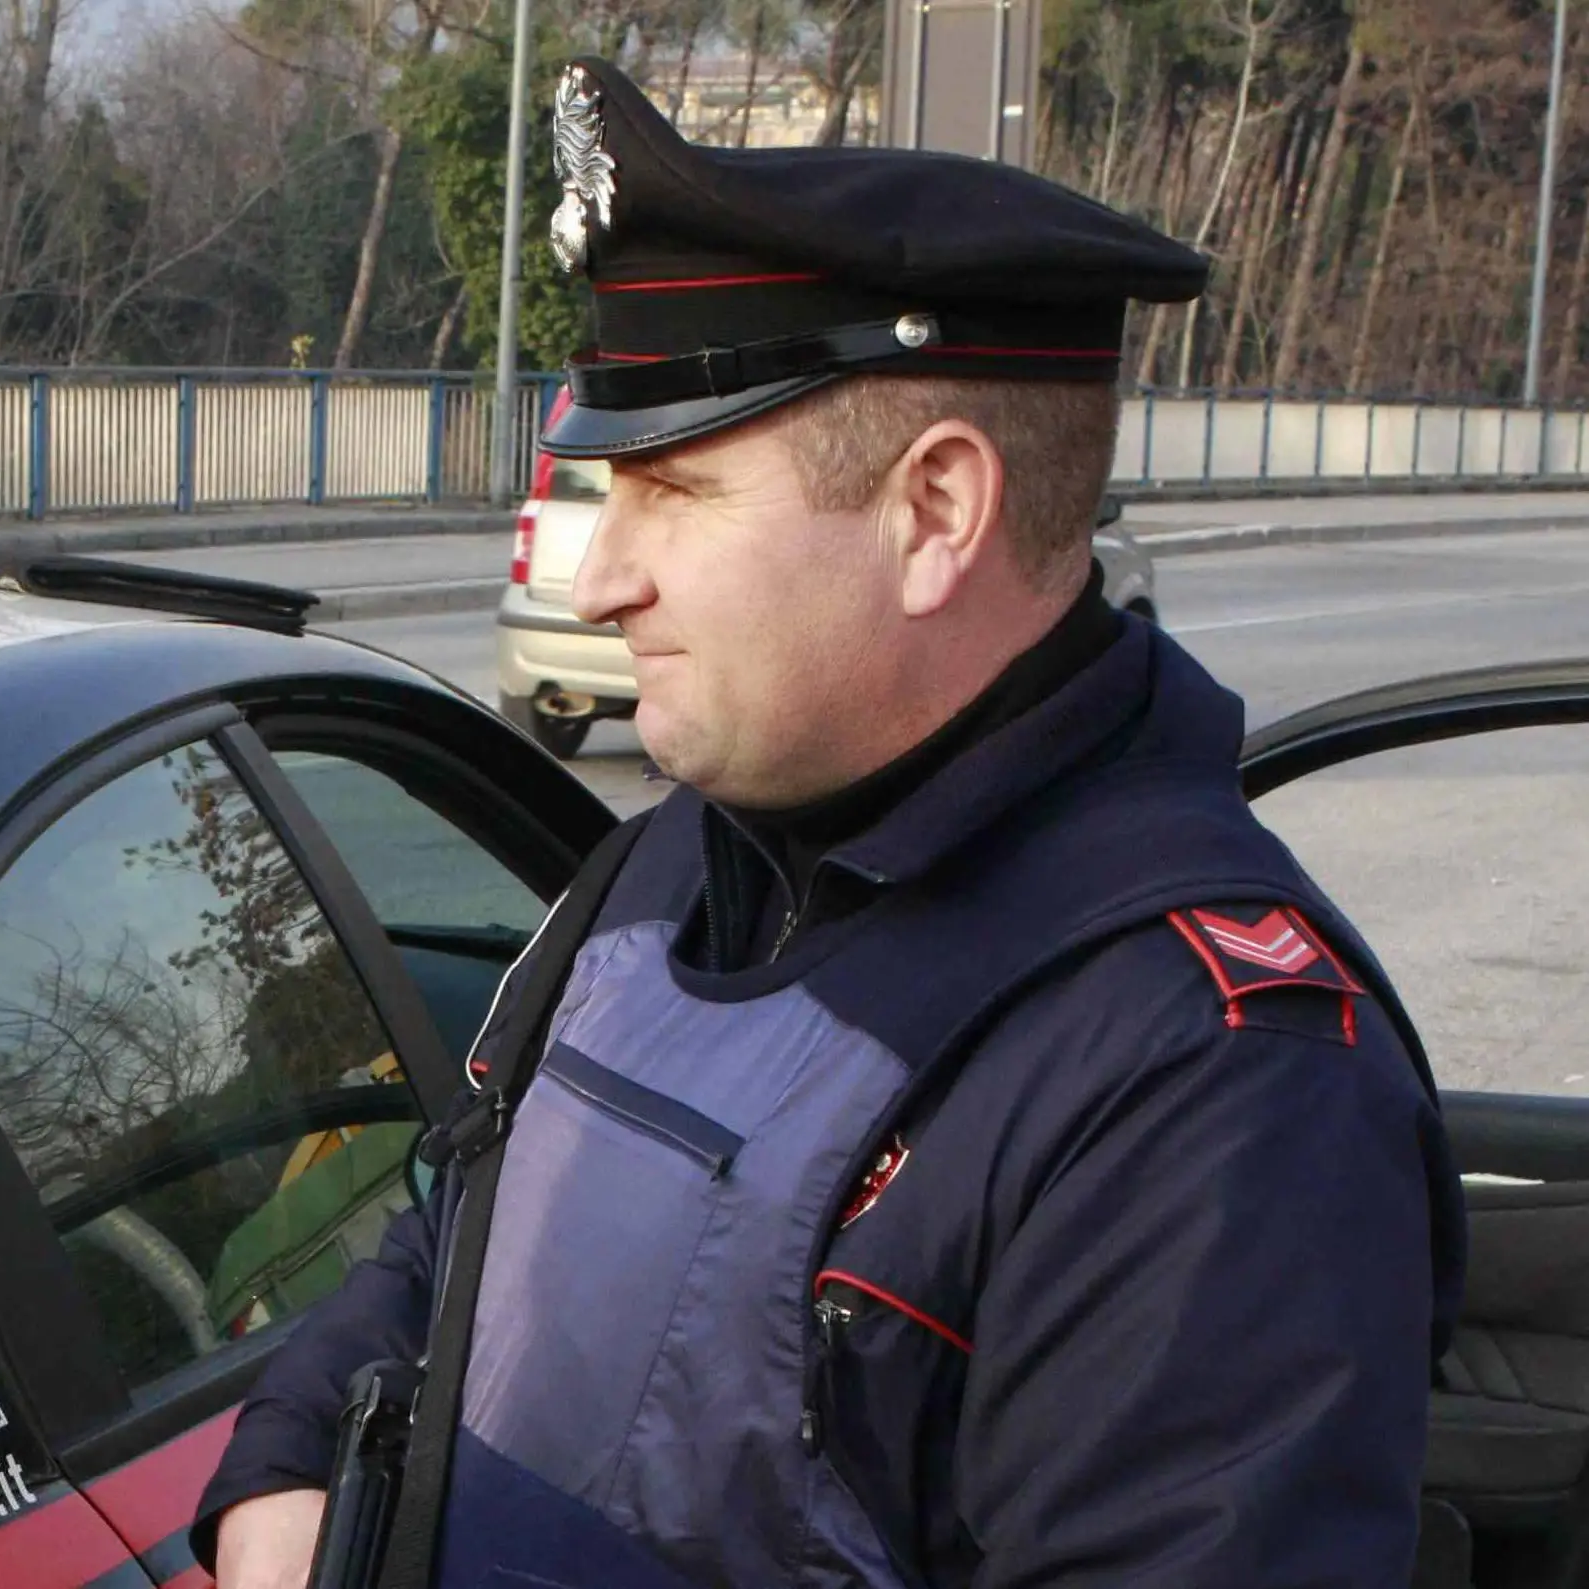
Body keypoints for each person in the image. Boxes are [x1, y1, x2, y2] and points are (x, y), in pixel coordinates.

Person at [193, 55, 1466, 1589]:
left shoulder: (1209, 1083)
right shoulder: (686, 855)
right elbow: (461, 1244)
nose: (599, 580)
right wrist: (284, 1467)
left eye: (675, 491)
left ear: (935, 513)